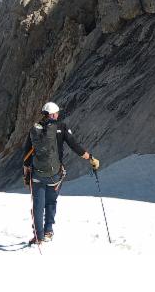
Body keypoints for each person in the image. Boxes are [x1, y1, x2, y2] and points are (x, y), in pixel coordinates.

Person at [22, 101, 100, 244]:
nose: (58, 115)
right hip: (55, 174)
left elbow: (26, 154)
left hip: (37, 174)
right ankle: (48, 231)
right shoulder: (61, 127)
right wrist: (90, 158)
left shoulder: (35, 129)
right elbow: (74, 145)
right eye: (56, 113)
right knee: (51, 202)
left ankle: (38, 237)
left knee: (38, 205)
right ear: (52, 114)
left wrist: (27, 173)